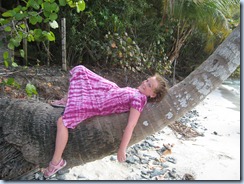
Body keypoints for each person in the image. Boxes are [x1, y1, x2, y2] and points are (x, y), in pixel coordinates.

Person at [44, 65, 168, 178]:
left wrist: (122, 149)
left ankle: (56, 162)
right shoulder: (138, 92)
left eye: (150, 85)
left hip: (99, 103)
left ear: (152, 95)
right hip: (108, 90)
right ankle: (66, 100)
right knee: (81, 71)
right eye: (147, 80)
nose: (145, 83)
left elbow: (131, 125)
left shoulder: (139, 100)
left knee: (63, 122)